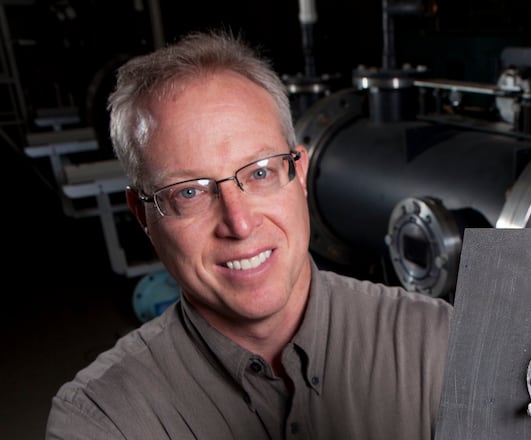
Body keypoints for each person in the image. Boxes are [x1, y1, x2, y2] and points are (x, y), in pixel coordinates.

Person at [46, 30, 452, 439]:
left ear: (300, 175)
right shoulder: (99, 420)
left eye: (260, 172)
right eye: (189, 191)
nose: (239, 224)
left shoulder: (441, 343)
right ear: (143, 215)